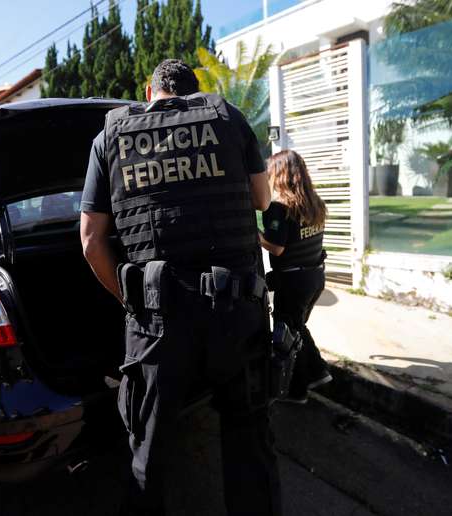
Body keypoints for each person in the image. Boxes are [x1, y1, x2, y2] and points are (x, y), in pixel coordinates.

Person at [80, 59, 281, 516]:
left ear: (149, 91)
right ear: (195, 91)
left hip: (157, 321)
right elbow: (261, 200)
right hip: (236, 313)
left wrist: (131, 301)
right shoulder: (227, 117)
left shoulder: (109, 137)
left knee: (149, 450)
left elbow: (91, 241)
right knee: (249, 444)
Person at [259, 150, 331, 403]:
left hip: (293, 283)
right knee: (296, 329)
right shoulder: (314, 203)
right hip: (315, 278)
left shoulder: (279, 208)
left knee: (288, 336)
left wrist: (253, 231)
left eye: (270, 172)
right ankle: (314, 376)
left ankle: (303, 386)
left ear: (278, 174)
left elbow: (276, 247)